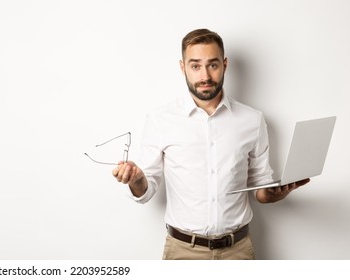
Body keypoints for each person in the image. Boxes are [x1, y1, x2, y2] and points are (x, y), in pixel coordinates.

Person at [112, 28, 310, 260]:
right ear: (182, 67)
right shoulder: (160, 120)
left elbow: (260, 187)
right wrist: (137, 179)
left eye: (212, 65)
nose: (205, 76)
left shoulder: (252, 120)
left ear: (225, 64)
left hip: (238, 251)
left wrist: (273, 194)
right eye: (195, 65)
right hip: (183, 252)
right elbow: (145, 192)